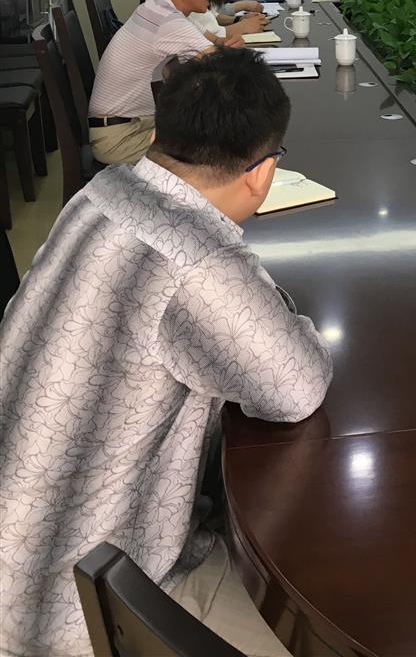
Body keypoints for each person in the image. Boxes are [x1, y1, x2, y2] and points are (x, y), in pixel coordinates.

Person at [0, 48, 332, 657]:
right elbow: (297, 387)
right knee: (310, 626)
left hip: (17, 550)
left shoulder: (101, 193)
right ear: (262, 174)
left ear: (156, 135)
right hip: (71, 608)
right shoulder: (194, 259)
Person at [88, 0, 223, 166]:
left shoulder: (154, 6)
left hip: (126, 126)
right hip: (122, 139)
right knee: (216, 148)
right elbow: (223, 65)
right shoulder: (167, 20)